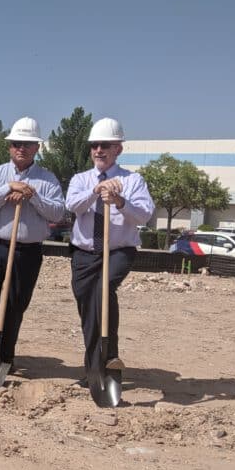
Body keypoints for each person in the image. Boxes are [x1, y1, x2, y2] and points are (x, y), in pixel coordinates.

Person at [0, 117, 65, 379]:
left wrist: (32, 195)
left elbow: (57, 212)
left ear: (37, 148)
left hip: (27, 251)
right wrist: (8, 188)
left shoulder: (48, 179)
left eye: (28, 144)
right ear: (9, 146)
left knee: (16, 304)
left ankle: (5, 358)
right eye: (17, 143)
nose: (22, 148)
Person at [66, 117, 154, 386]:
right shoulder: (81, 179)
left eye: (105, 145)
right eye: (95, 145)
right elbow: (72, 205)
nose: (98, 150)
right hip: (84, 252)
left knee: (102, 293)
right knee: (87, 308)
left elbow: (144, 215)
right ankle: (95, 367)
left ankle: (110, 359)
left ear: (118, 149)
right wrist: (96, 191)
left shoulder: (133, 180)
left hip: (118, 251)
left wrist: (119, 200)